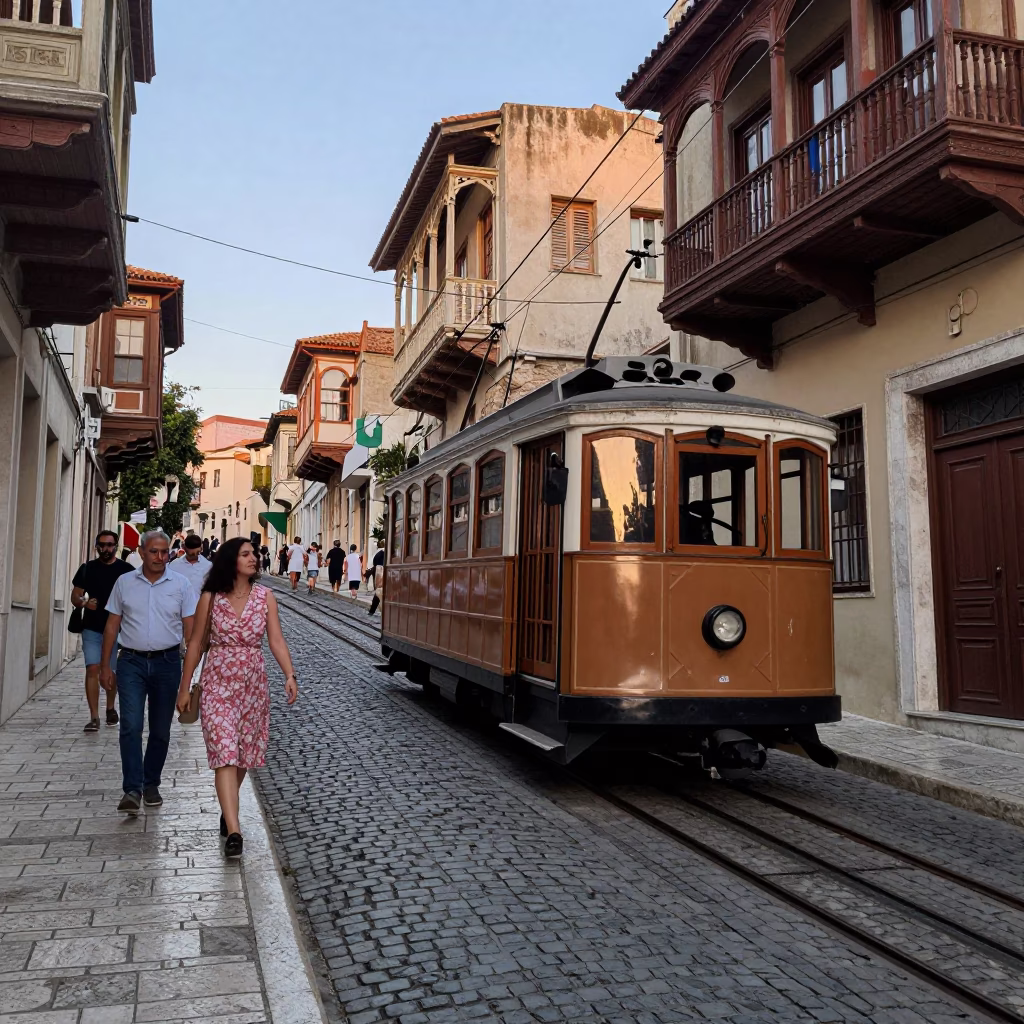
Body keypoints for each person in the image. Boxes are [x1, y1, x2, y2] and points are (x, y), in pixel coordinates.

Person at [177, 538, 298, 858]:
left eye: (254, 554)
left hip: (253, 685)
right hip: (217, 682)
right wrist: (184, 686)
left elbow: (276, 640)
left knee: (243, 755)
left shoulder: (265, 597)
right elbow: (196, 644)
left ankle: (226, 809)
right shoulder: (210, 598)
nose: (253, 558)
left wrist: (289, 674)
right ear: (230, 560)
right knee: (225, 752)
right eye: (245, 554)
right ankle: (235, 830)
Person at [101, 530, 197, 815]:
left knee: (161, 730)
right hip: (131, 661)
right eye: (154, 551)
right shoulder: (124, 583)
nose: (159, 557)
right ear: (141, 552)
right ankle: (132, 789)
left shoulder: (181, 585)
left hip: (167, 663)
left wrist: (189, 676)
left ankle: (151, 782)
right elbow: (111, 626)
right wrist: (106, 666)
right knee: (130, 725)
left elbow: (190, 630)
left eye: (164, 552)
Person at [71, 531, 134, 732]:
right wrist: (84, 602)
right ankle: (94, 716)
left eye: (109, 545)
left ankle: (109, 708)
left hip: (117, 629)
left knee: (111, 671)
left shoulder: (127, 570)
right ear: (96, 546)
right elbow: (75, 597)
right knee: (92, 668)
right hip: (92, 627)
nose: (105, 549)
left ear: (116, 546)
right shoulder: (87, 569)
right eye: (102, 545)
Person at [168, 533, 212, 601]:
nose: (195, 556)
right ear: (184, 548)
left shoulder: (208, 566)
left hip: (200, 607)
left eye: (197, 553)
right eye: (191, 554)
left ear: (201, 548)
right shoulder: (174, 566)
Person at [367, 546, 385, 615]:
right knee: (379, 593)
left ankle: (372, 611)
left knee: (378, 593)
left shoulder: (378, 554)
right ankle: (372, 611)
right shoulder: (382, 554)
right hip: (383, 575)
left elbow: (374, 564)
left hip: (380, 576)